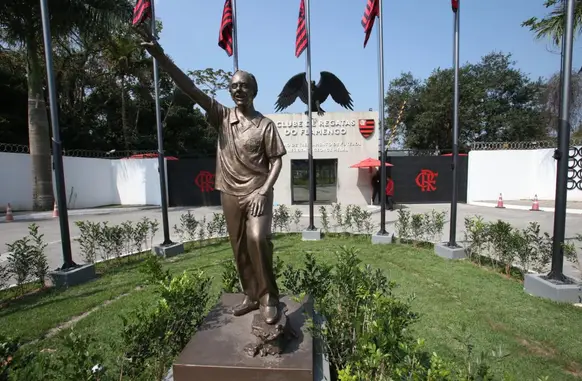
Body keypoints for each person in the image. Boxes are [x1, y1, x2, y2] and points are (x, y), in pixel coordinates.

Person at [136, 27, 286, 325]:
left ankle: (269, 297)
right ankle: (251, 294)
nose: (238, 90)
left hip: (257, 190)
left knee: (258, 239)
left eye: (244, 85)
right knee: (239, 245)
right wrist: (161, 58)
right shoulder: (221, 116)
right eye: (233, 86)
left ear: (254, 91)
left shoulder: (265, 125)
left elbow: (277, 161)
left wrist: (264, 191)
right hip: (229, 191)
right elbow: (191, 88)